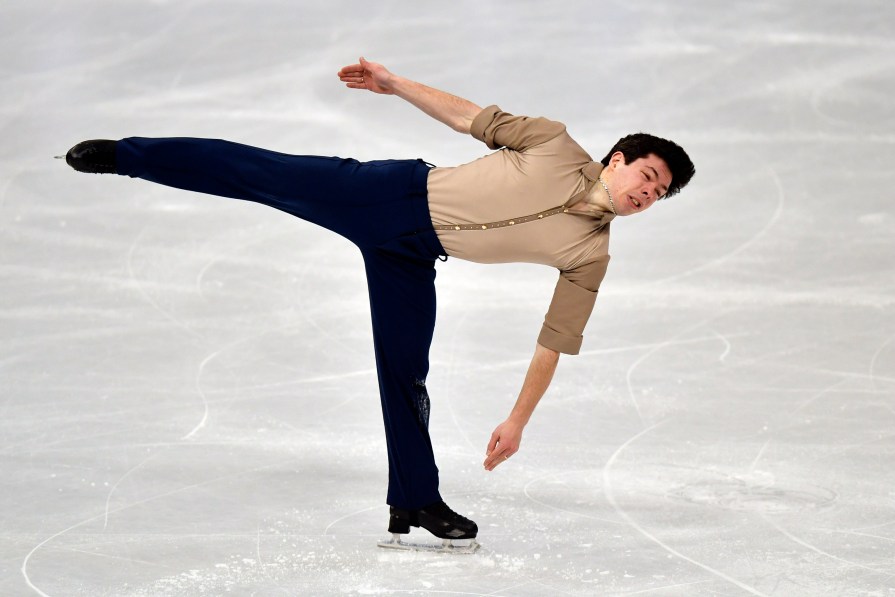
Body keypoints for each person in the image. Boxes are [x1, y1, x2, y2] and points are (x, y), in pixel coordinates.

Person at [64, 57, 694, 548]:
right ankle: (126, 156)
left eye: (660, 194)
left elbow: (554, 341)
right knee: (261, 172)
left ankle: (415, 499)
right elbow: (468, 117)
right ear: (618, 160)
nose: (648, 195)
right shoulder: (553, 143)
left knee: (405, 374)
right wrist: (393, 84)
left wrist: (517, 421)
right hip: (389, 195)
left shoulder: (591, 254)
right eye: (648, 177)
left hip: (413, 259)